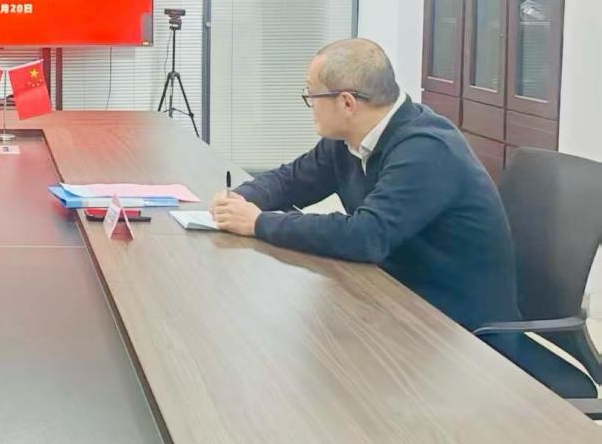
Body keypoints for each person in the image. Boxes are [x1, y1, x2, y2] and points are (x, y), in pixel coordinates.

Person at [209, 37, 520, 331]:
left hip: (458, 331)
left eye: (311, 95)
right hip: (395, 299)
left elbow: (366, 235)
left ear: (347, 103)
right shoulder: (347, 139)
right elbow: (292, 180)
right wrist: (239, 200)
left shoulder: (426, 150)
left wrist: (258, 222)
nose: (309, 104)